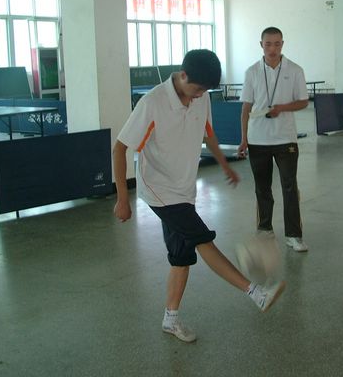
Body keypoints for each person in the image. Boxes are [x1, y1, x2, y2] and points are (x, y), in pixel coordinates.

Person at [113, 49, 285, 344]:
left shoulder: (201, 97)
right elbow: (120, 148)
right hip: (158, 189)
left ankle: (170, 319)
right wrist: (121, 198)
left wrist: (225, 165)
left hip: (184, 188)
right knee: (202, 239)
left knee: (181, 258)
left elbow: (208, 134)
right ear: (183, 76)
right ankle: (256, 293)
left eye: (205, 91)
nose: (200, 95)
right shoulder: (152, 103)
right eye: (197, 89)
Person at [237, 27, 310, 252]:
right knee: (262, 188)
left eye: (277, 44)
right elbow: (246, 108)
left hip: (285, 139)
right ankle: (265, 229)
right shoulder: (251, 72)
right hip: (257, 140)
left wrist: (282, 108)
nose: (272, 49)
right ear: (261, 45)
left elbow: (303, 102)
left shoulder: (295, 70)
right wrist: (243, 138)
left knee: (289, 186)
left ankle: (294, 235)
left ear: (282, 44)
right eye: (268, 44)